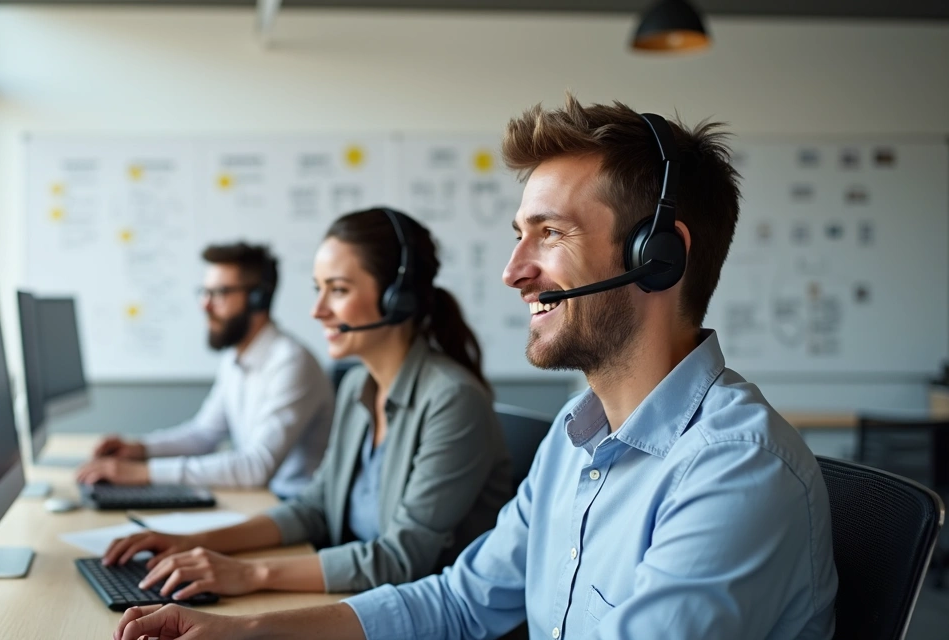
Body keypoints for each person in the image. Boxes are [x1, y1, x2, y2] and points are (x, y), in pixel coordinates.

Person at [111, 96, 838, 640]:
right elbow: (461, 601)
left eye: (550, 234)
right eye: (519, 235)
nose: (512, 271)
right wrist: (248, 632)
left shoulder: (734, 469)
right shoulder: (576, 434)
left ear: (658, 257)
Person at [100, 207, 514, 600]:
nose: (317, 311)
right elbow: (314, 507)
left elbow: (400, 559)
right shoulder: (358, 387)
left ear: (396, 298)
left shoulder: (452, 401)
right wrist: (194, 543)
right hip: (361, 596)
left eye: (338, 290)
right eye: (319, 290)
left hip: (424, 616)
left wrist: (250, 574)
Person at [76, 243, 333, 500]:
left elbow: (256, 467)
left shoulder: (291, 362)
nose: (205, 305)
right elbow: (204, 435)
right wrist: (139, 450)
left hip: (293, 504)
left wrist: (144, 473)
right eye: (204, 292)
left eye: (219, 293)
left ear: (258, 299)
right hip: (262, 499)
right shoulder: (236, 358)